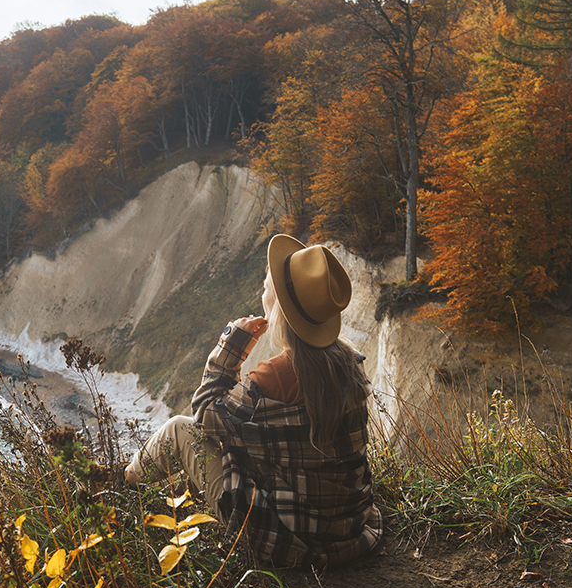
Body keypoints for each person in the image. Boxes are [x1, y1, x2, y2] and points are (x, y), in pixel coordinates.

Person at [125, 234, 382, 567]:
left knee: (178, 429)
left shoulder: (276, 376)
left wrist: (231, 347)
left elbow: (205, 414)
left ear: (279, 306)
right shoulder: (350, 362)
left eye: (266, 286)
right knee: (238, 440)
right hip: (348, 521)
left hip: (290, 535)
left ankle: (123, 484)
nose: (262, 290)